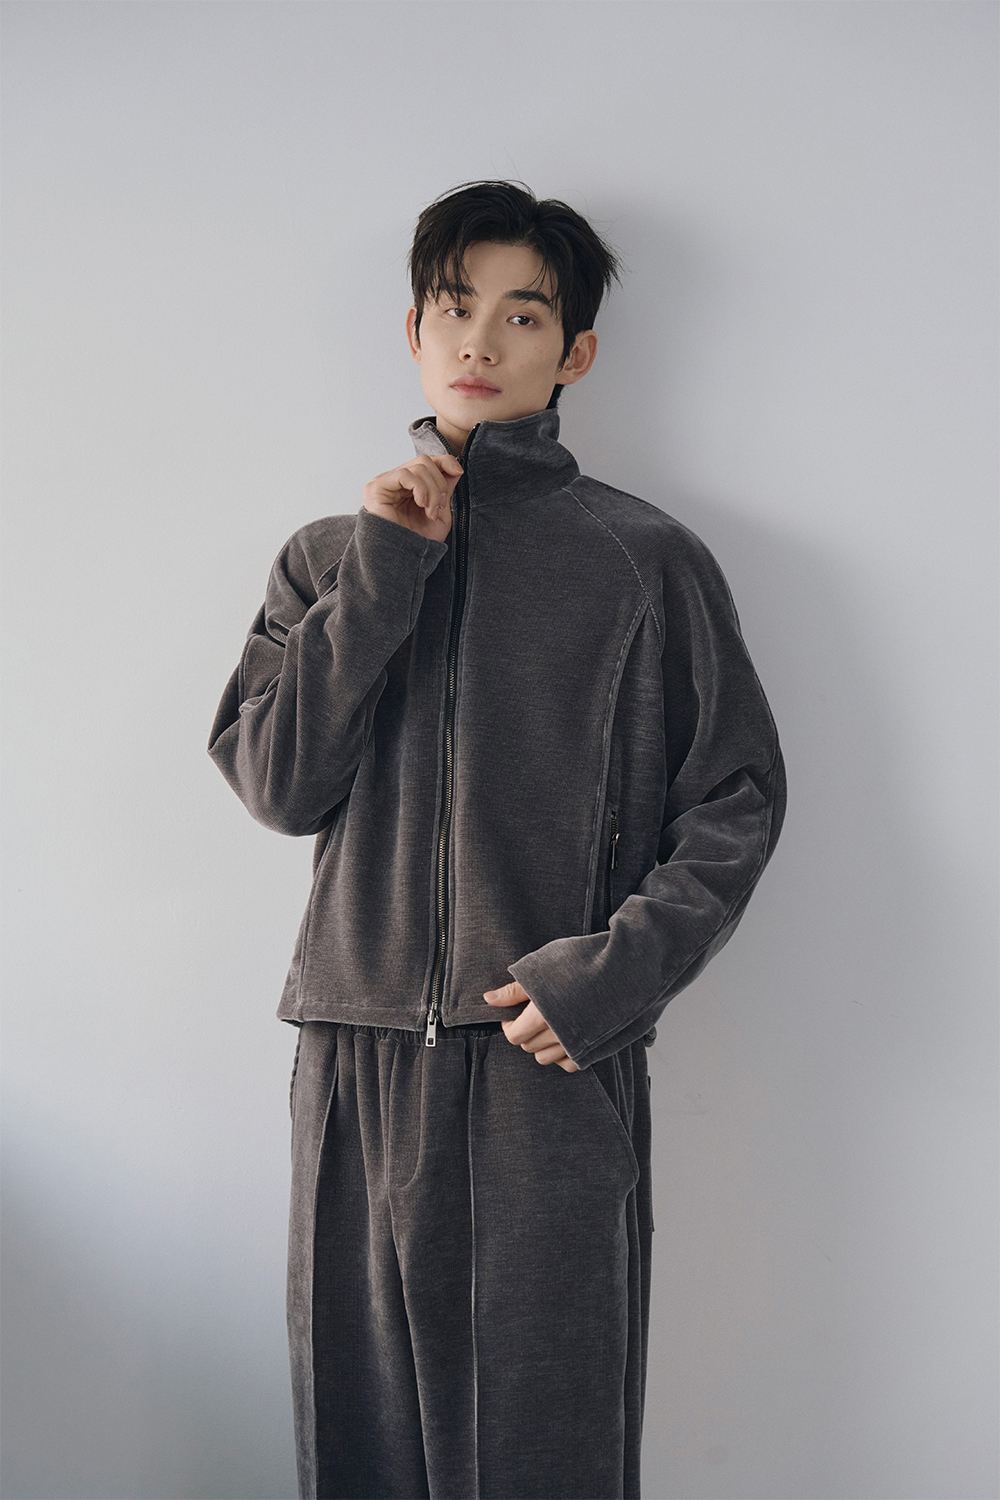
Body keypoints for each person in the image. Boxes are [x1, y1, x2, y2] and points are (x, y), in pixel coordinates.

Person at [208, 179, 786, 1500]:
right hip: (354, 1058)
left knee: (543, 1452)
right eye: (456, 308)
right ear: (414, 330)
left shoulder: (645, 561)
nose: (481, 341)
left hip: (546, 1058)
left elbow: (737, 798)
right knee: (358, 1448)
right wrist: (384, 570)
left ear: (574, 353)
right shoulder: (327, 559)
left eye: (522, 316)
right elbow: (279, 783)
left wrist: (611, 978)